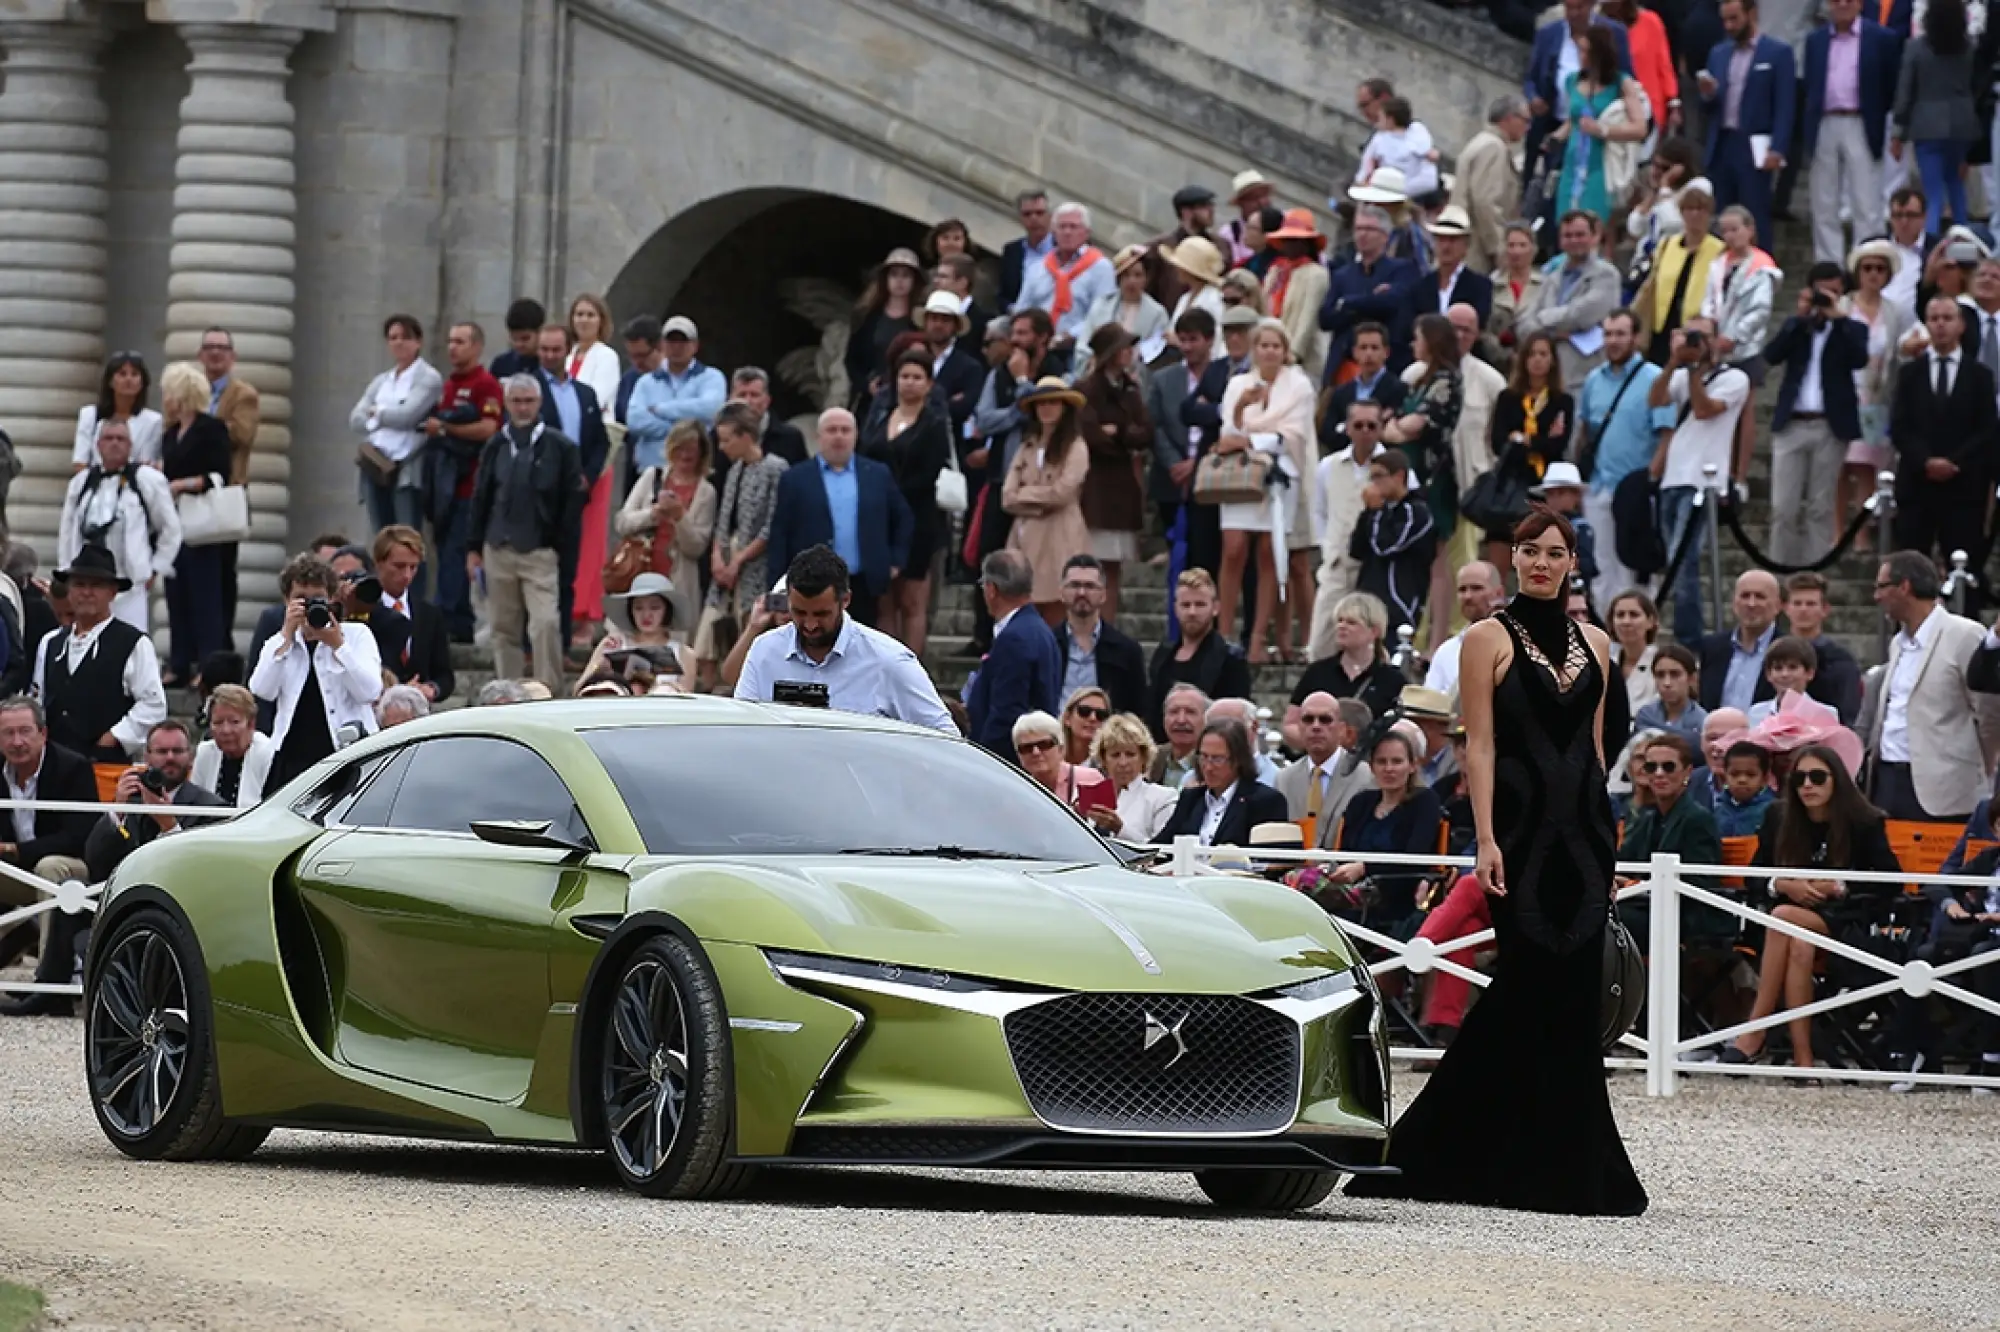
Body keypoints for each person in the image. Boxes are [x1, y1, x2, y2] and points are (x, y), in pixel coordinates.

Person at [1348, 505, 1646, 1216]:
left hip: (1584, 832)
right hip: (1518, 829)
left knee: (1573, 996)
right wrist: (1483, 838)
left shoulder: (1600, 645)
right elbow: (1478, 744)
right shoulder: (1485, 637)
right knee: (1524, 982)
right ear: (1513, 558)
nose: (1542, 562)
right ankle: (1442, 1149)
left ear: (1573, 562)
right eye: (1530, 550)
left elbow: (1598, 750)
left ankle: (1571, 1166)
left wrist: (1608, 840)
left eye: (1555, 552)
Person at [1721, 743, 1901, 1071]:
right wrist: (1783, 884)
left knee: (1782, 916)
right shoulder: (1779, 816)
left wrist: (1837, 886)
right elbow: (1754, 877)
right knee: (1798, 943)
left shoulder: (1865, 821)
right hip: (1789, 933)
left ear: (1838, 781)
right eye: (1800, 778)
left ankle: (1755, 1029)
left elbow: (1892, 882)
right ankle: (1804, 1061)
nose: (1807, 785)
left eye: (1818, 777)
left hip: (1846, 925)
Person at [734, 546, 954, 732]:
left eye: (821, 614)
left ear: (845, 600)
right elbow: (740, 731)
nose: (810, 625)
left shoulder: (889, 661)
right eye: (799, 613)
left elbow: (946, 737)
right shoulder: (764, 652)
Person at [467, 375, 584, 699]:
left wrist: (562, 547)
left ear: (539, 402)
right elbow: (481, 497)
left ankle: (548, 691)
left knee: (545, 622)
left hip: (540, 550)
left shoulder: (561, 446)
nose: (522, 407)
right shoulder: (496, 445)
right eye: (516, 401)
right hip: (498, 546)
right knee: (503, 628)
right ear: (506, 403)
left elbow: (572, 502)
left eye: (528, 401)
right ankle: (508, 695)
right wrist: (474, 547)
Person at [1862, 550, 2000, 820]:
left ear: (1904, 587)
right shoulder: (1897, 643)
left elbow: (1988, 713)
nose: (1876, 596)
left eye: (1881, 587)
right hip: (1886, 782)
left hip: (1945, 789)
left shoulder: (1964, 634)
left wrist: (1971, 769)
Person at [1647, 316, 1752, 640]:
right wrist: (1673, 363)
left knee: (1685, 560)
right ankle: (1685, 629)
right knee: (1675, 560)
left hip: (1704, 483)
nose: (1695, 343)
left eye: (1701, 336)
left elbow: (1705, 409)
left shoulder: (1735, 378)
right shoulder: (1681, 374)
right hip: (1673, 479)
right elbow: (1655, 399)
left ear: (1717, 341)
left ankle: (1688, 637)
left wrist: (1693, 371)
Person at [1219, 317, 1317, 664]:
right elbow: (1225, 431)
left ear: (1285, 350)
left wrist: (1248, 437)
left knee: (1268, 554)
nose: (1269, 351)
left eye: (1276, 345)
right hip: (1240, 474)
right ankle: (1223, 633)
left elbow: (1293, 435)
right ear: (1254, 348)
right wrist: (1243, 408)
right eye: (1263, 345)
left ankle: (1258, 639)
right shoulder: (1238, 384)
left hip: (1280, 475)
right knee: (1232, 550)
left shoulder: (1299, 386)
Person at [0, 697, 103, 1013]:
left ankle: (49, 984)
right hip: (16, 873)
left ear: (43, 733)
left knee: (50, 867)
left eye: (25, 731)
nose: (17, 742)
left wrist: (17, 850)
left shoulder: (74, 766)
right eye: (8, 733)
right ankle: (23, 936)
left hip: (70, 869)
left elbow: (78, 835)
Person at [1764, 264, 1870, 564]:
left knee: (1820, 507)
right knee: (1783, 507)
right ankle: (1779, 573)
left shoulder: (1852, 328)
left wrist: (1839, 318)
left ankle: (1813, 577)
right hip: (1792, 423)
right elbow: (1771, 355)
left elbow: (1859, 358)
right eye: (1821, 291)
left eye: (1834, 292)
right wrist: (1799, 317)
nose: (1826, 298)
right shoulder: (1798, 327)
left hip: (1829, 426)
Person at [250, 552, 384, 792]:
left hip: (346, 755)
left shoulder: (356, 635)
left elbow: (370, 691)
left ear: (332, 599)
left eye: (318, 599)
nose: (310, 605)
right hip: (291, 759)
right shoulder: (280, 642)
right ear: (286, 601)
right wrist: (286, 634)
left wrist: (338, 646)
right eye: (301, 599)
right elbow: (261, 690)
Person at [30, 542, 167, 764]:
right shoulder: (50, 642)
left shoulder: (133, 642)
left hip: (105, 764)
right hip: (53, 764)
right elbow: (37, 700)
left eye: (95, 585)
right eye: (79, 584)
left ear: (112, 593)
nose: (86, 592)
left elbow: (153, 705)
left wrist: (114, 736)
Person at [1891, 295, 1999, 564]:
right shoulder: (1910, 374)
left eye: (1947, 318)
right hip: (1917, 484)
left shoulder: (1980, 376)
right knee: (1912, 567)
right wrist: (1926, 461)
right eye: (1934, 318)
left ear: (1961, 324)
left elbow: (1987, 429)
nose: (1940, 325)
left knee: (1964, 567)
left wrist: (1955, 462)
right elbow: (1900, 426)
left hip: (1964, 488)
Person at [857, 350, 951, 649]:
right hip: (879, 521)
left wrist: (889, 493)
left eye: (917, 377)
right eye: (904, 376)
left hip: (917, 520)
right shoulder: (879, 415)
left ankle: (912, 672)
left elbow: (928, 474)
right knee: (884, 602)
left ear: (929, 384)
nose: (909, 383)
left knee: (912, 602)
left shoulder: (934, 424)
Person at [1318, 728, 1444, 938]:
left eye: (1397, 761)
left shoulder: (1425, 801)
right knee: (1295, 881)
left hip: (1396, 894)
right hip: (1350, 890)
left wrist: (1364, 868)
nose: (1389, 769)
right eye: (1381, 762)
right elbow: (1344, 852)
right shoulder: (1361, 802)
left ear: (1412, 766)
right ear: (1372, 766)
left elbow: (1415, 857)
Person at [56, 417, 178, 633]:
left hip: (129, 583)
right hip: (87, 583)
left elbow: (170, 527)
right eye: (108, 438)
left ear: (130, 445)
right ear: (98, 444)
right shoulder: (81, 482)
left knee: (130, 642)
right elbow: (67, 530)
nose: (114, 443)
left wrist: (156, 568)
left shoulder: (147, 480)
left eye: (121, 439)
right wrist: (67, 571)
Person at [1804, 0, 1902, 264]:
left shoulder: (1881, 38)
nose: (1843, 4)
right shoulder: (1816, 40)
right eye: (1836, 0)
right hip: (1824, 121)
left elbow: (1891, 83)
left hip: (1862, 120)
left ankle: (1867, 263)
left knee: (1866, 199)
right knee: (1824, 201)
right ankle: (1829, 265)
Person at [1615, 731, 1727, 949]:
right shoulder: (1647, 817)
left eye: (1668, 767)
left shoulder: (1698, 819)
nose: (1658, 774)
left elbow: (1699, 885)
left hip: (1685, 917)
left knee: (1607, 921)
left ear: (1687, 772)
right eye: (1651, 767)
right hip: (1648, 909)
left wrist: (1635, 885)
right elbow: (1624, 862)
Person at [1700, 0, 1798, 248]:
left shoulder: (1777, 52)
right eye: (1725, 20)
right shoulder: (1719, 52)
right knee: (1721, 216)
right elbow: (1709, 106)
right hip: (1723, 142)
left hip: (1754, 146)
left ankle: (1760, 271)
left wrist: (1778, 147)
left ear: (1751, 14)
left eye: (1734, 19)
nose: (1729, 26)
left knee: (1755, 214)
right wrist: (1709, 94)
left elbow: (1785, 105)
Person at [1072, 326, 1152, 615]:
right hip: (1096, 485)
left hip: (1122, 485)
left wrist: (1118, 433)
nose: (1129, 352)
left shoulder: (1131, 388)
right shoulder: (1086, 389)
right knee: (1090, 563)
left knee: (1113, 566)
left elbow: (1145, 432)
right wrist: (1122, 437)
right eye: (1123, 347)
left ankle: (1108, 626)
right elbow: (1090, 434)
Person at [1001, 377, 1090, 620]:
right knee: (1024, 601)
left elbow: (1063, 492)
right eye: (1041, 404)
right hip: (1025, 533)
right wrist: (1039, 501)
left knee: (1057, 603)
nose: (1047, 409)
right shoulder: (1026, 446)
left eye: (1053, 403)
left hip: (1060, 533)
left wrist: (1026, 495)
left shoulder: (1075, 446)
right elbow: (1007, 496)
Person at [1891, 0, 1979, 235]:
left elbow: (1905, 91)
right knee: (1956, 185)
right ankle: (1963, 237)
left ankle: (1930, 243)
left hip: (1927, 124)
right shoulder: (1969, 48)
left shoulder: (1916, 48)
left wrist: (1898, 130)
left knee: (1933, 192)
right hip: (1962, 123)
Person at [349, 313, 443, 533]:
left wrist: (377, 414)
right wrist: (380, 418)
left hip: (405, 467)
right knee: (381, 536)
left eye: (405, 337)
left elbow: (407, 416)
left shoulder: (428, 378)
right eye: (393, 338)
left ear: (418, 342)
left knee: (406, 537)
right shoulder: (382, 381)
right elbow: (355, 419)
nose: (399, 342)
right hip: (375, 465)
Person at [1308, 399, 1387, 648]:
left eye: (1371, 426)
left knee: (1376, 639)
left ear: (1380, 428)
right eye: (1359, 425)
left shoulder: (1394, 466)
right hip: (1337, 565)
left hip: (1376, 566)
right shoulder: (1328, 466)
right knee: (1321, 640)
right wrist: (1327, 547)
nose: (1365, 431)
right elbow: (1319, 511)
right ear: (1348, 428)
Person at [1556, 25, 1650, 226]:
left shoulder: (1621, 83)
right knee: (1566, 222)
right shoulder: (1572, 81)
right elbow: (1573, 121)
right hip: (1572, 164)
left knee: (1593, 222)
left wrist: (1603, 130)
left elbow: (1640, 128)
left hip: (1600, 164)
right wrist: (1554, 138)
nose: (1580, 56)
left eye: (1585, 51)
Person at [1516, 212, 1623, 386]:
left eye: (1580, 235)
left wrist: (1544, 318)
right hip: (1549, 378)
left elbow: (1581, 315)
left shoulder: (1607, 275)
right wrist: (1553, 334)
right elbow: (1524, 323)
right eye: (1568, 235)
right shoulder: (1551, 277)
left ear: (1593, 236)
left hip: (1587, 377)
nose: (1574, 240)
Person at [1289, 591, 1409, 742]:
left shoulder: (1393, 680)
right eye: (1339, 621)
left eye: (1351, 622)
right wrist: (1318, 742)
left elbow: (1405, 730)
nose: (1342, 626)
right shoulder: (1317, 672)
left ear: (1374, 631)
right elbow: (1290, 724)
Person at [1145, 568, 1249, 739]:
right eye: (1186, 605)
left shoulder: (1231, 659)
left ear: (1215, 608)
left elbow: (1236, 719)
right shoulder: (1163, 655)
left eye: (1200, 604)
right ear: (1176, 609)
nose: (1192, 612)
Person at [1152, 717, 1291, 846]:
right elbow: (1162, 845)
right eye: (1204, 757)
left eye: (1217, 759)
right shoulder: (1191, 798)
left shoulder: (1266, 801)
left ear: (1238, 760)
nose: (1208, 767)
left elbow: (1272, 859)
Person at [623, 316, 727, 477]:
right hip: (651, 471)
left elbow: (710, 409)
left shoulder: (711, 377)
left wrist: (661, 409)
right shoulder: (646, 382)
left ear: (695, 346)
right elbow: (635, 421)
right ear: (662, 345)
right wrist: (684, 431)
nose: (677, 347)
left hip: (695, 473)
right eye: (671, 342)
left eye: (683, 342)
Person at [1349, 447, 1436, 635]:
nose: (1374, 483)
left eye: (1380, 476)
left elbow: (1385, 546)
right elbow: (1356, 549)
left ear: (1399, 476)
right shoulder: (1377, 512)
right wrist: (1369, 513)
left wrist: (1376, 512)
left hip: (1399, 603)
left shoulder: (1416, 511)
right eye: (1372, 478)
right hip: (1368, 599)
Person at [1275, 693, 1375, 848]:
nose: (1316, 726)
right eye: (1308, 719)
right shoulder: (1284, 779)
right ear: (1299, 727)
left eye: (1325, 720)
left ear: (1341, 729)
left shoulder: (1365, 776)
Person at [1053, 553, 1146, 718]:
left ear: (1103, 594)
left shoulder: (1126, 651)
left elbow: (1137, 711)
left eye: (1090, 586)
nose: (1081, 592)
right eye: (1074, 585)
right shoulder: (1047, 645)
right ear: (1061, 592)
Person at [1640, 181, 1723, 363]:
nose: (1695, 214)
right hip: (1662, 326)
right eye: (1689, 209)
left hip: (1696, 329)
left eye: (1701, 209)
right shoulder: (1667, 245)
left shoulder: (1720, 250)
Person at [372, 525, 454, 704]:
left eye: (413, 567)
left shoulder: (428, 614)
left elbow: (444, 674)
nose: (407, 575)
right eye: (399, 566)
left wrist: (431, 689)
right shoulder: (364, 611)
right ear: (379, 563)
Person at [1014, 203, 1114, 348]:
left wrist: (1070, 335)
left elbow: (1102, 316)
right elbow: (1022, 308)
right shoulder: (1038, 267)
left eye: (1073, 227)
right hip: (1035, 344)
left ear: (1086, 233)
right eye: (1062, 227)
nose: (1067, 232)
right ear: (1053, 232)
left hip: (1077, 345)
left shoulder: (1101, 268)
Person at [585, 571, 695, 695]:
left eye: (654, 607)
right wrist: (597, 666)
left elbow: (686, 701)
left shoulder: (684, 653)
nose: (646, 615)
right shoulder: (614, 644)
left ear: (667, 611)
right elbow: (578, 689)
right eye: (638, 608)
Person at [1459, 96, 1530, 277]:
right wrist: (1499, 249)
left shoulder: (1481, 142)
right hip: (1476, 249)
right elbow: (1486, 203)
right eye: (1525, 120)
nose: (1528, 128)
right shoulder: (1493, 148)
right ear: (1509, 119)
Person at [845, 247, 923, 411]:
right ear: (885, 279)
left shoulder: (920, 320)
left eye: (906, 275)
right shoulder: (868, 317)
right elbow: (851, 359)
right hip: (871, 400)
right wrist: (866, 385)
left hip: (908, 400)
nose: (900, 281)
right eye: (894, 274)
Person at [1693, 569, 1782, 712]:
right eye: (1745, 596)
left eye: (1760, 597)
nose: (1751, 604)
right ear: (1734, 603)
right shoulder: (1712, 647)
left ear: (1777, 605)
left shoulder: (1788, 651)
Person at [1261, 209, 1332, 383]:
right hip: (1272, 353)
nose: (1289, 245)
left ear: (1307, 244)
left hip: (1302, 361)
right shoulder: (1276, 270)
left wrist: (1293, 354)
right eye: (1286, 240)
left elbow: (1308, 318)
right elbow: (1263, 306)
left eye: (1295, 240)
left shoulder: (1317, 274)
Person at [1780, 572, 1862, 721]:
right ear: (1786, 608)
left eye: (1811, 604)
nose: (1803, 609)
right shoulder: (1774, 654)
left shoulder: (1841, 660)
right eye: (1797, 603)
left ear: (1825, 609)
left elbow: (1849, 710)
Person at [1077, 245, 1171, 374]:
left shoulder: (1157, 314)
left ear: (1146, 279)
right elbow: (1083, 345)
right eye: (1126, 275)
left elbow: (1156, 353)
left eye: (1138, 275)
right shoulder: (1101, 305)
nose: (1131, 281)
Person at [1088, 713, 1180, 842]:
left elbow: (1162, 852)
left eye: (1130, 754)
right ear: (1103, 759)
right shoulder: (1089, 794)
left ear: (1144, 757)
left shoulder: (1162, 798)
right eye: (1115, 755)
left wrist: (1120, 829)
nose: (1123, 762)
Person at [1424, 561, 1508, 697]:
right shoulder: (1446, 652)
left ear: (1499, 593)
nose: (1468, 596)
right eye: (1462, 590)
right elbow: (1429, 706)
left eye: (1477, 588)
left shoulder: (1519, 643)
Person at [72, 351, 163, 472]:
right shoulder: (89, 415)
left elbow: (146, 463)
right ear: (110, 381)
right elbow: (80, 461)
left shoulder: (154, 420)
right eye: (122, 374)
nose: (128, 379)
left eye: (134, 374)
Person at [1013, 708, 1115, 815]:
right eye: (1026, 748)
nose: (1036, 752)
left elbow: (1106, 825)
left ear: (1061, 749)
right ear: (1018, 755)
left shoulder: (1091, 779)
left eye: (1044, 745)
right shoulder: (1018, 792)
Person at [191, 682, 274, 807]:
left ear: (251, 723)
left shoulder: (267, 753)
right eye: (218, 722)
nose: (225, 730)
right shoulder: (205, 752)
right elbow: (194, 804)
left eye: (234, 722)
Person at [1489, 222, 1546, 366]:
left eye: (1522, 245)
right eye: (1511, 245)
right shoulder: (1491, 284)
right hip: (1499, 362)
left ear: (1533, 249)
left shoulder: (1547, 284)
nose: (1516, 251)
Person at [1634, 641, 1708, 746]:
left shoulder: (1703, 722)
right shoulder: (1645, 715)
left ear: (1691, 678)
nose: (1667, 683)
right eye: (1660, 675)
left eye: (1675, 674)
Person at [1607, 589, 1661, 714]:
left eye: (1634, 615)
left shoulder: (1662, 663)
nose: (1626, 622)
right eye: (1620, 615)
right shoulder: (1605, 664)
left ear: (1651, 621)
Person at [998, 189, 1053, 311]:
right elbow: (1003, 296)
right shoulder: (1012, 251)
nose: (1034, 219)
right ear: (1020, 218)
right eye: (1027, 214)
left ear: (1050, 216)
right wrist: (1012, 310)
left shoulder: (1063, 249)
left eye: (1039, 213)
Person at [1747, 635, 1818, 724]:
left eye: (1793, 667)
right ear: (1768, 675)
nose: (1785, 674)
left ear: (1809, 673)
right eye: (1778, 668)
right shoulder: (1756, 713)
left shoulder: (1825, 713)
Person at [1715, 739, 1779, 835]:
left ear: (1765, 779)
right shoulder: (1718, 810)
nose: (1742, 780)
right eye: (1734, 774)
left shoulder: (1774, 811)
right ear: (1725, 777)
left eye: (1751, 774)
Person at [1150, 683, 1209, 788]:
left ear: (1206, 719)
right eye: (1174, 712)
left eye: (1190, 712)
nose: (1181, 720)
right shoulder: (1151, 759)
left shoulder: (1212, 763)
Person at [1058, 685, 1111, 766]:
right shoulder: (1051, 756)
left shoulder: (1109, 764)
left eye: (1101, 714)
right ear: (1067, 718)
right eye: (1084, 711)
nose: (1093, 718)